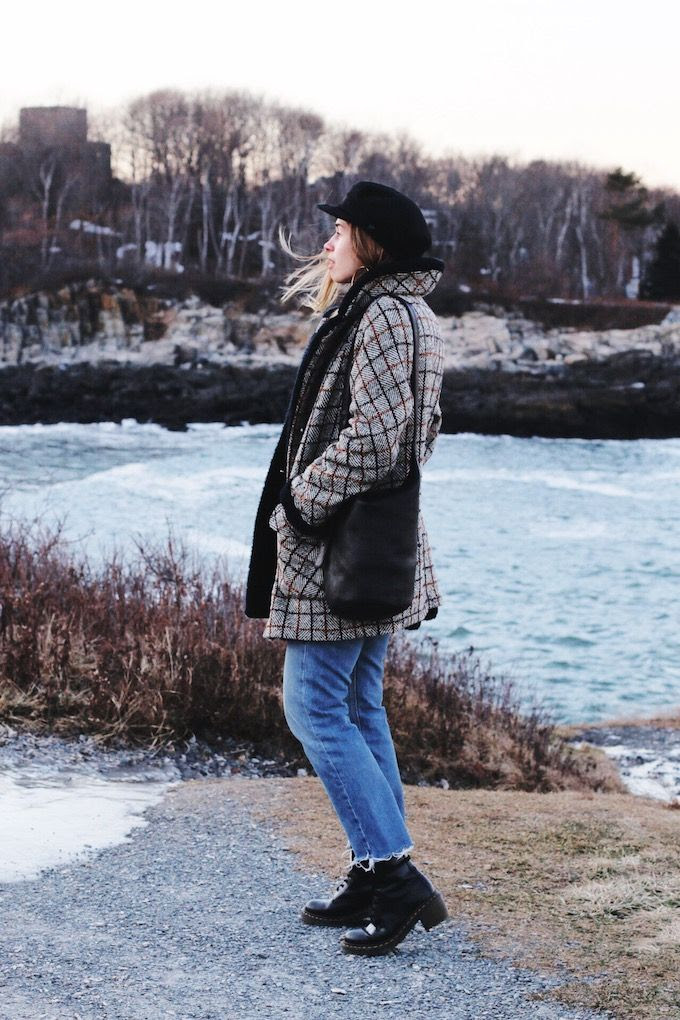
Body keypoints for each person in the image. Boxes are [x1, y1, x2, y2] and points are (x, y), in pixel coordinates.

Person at [244, 180, 448, 955]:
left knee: (315, 709)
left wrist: (299, 504)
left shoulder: (385, 315)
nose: (327, 241)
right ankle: (374, 870)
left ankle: (394, 876)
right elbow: (422, 428)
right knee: (359, 706)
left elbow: (377, 439)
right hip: (372, 544)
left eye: (340, 230)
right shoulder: (395, 311)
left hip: (344, 548)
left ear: (371, 243)